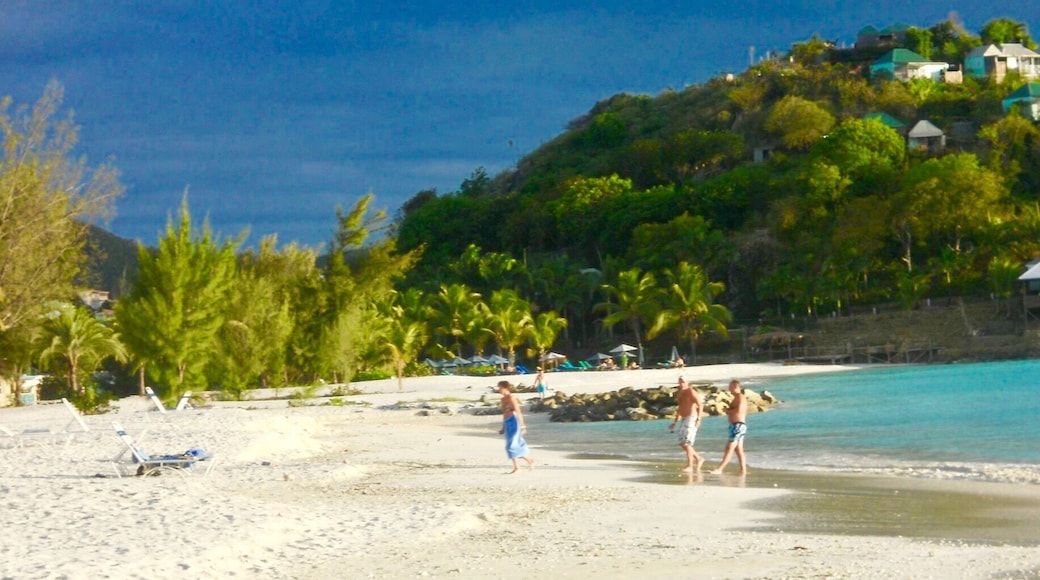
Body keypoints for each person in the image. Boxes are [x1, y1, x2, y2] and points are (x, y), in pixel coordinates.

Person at [710, 379, 748, 475]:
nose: (729, 389)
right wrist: (727, 410)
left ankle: (720, 468)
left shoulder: (740, 397)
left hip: (738, 425)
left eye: (730, 387)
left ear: (735, 387)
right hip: (735, 425)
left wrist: (728, 411)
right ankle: (743, 470)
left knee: (729, 447)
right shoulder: (736, 398)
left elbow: (738, 411)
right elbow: (734, 410)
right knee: (738, 450)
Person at [497, 380, 534, 473]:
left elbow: (518, 411)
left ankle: (517, 467)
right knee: (513, 444)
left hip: (514, 421)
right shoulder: (502, 400)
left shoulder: (511, 398)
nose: (499, 390)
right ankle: (528, 460)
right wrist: (503, 427)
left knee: (511, 445)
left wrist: (522, 426)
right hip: (507, 422)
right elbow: (504, 414)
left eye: (500, 388)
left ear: (505, 388)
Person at [668, 377, 704, 473]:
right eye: (680, 382)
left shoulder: (691, 391)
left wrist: (699, 419)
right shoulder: (680, 393)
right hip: (684, 419)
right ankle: (699, 458)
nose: (681, 384)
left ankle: (690, 466)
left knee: (686, 443)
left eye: (683, 382)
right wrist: (675, 422)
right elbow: (680, 408)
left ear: (687, 382)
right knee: (681, 442)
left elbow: (700, 404)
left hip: (691, 418)